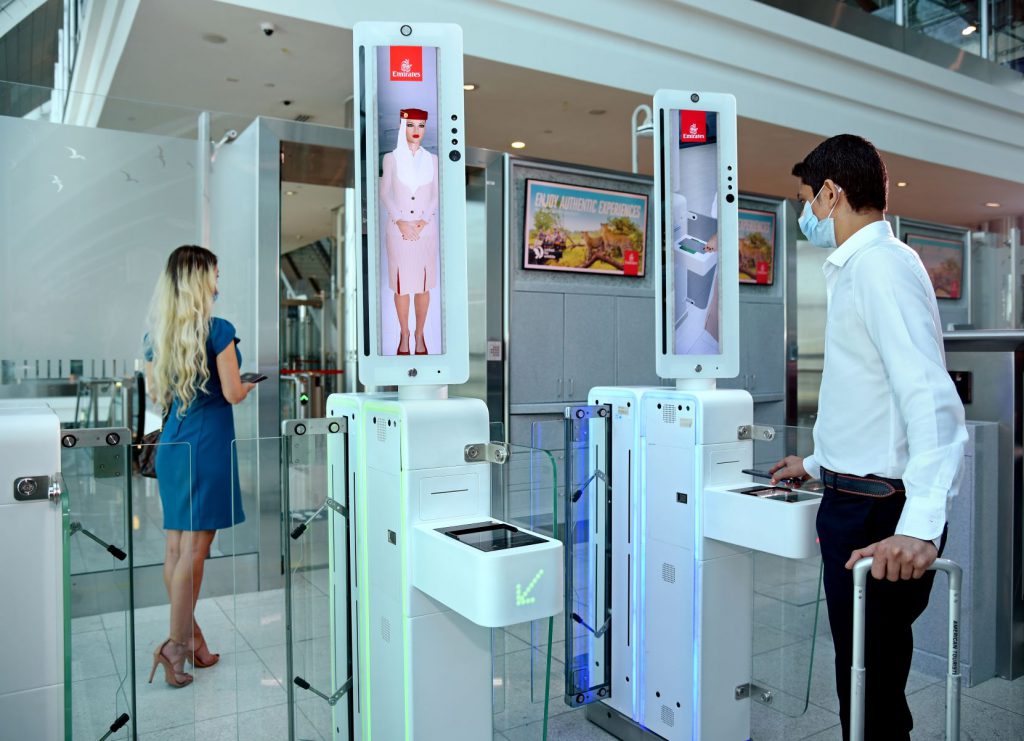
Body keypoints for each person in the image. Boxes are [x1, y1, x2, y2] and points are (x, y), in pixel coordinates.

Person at [770, 135, 967, 740]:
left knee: (870, 685)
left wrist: (920, 527)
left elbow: (928, 396)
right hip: (856, 496)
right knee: (861, 674)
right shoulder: (863, 267)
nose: (807, 213)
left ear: (832, 193)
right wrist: (815, 462)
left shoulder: (880, 266)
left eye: (808, 199)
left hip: (875, 510)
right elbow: (868, 393)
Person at [144, 245, 255, 687]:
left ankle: (192, 639)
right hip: (207, 444)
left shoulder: (156, 336)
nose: (218, 281)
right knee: (195, 550)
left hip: (174, 443)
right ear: (200, 279)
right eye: (215, 274)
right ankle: (175, 644)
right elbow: (231, 393)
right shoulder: (219, 330)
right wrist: (247, 385)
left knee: (175, 549)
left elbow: (158, 395)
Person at [379, 107, 439, 355]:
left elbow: (436, 195)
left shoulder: (432, 160)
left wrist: (423, 221)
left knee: (424, 285)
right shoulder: (391, 158)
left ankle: (420, 334)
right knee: (401, 285)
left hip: (426, 231)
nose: (416, 130)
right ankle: (404, 334)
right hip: (398, 231)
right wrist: (400, 221)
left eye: (421, 125)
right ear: (403, 126)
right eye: (411, 125)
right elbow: (384, 193)